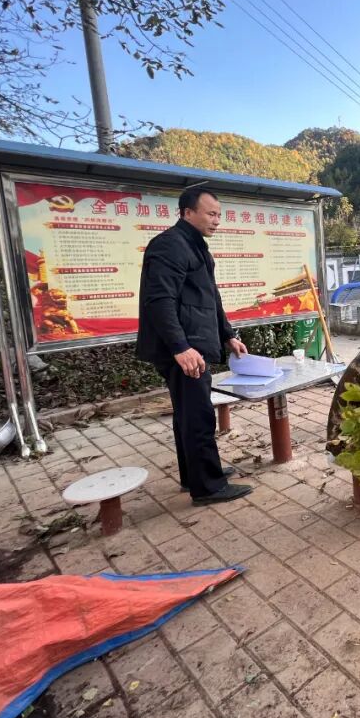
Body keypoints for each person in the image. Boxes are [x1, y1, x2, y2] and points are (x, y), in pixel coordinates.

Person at [137, 188, 253, 506]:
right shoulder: (169, 245)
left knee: (188, 414)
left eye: (219, 215)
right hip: (184, 351)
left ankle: (195, 475)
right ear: (187, 212)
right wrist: (180, 347)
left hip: (192, 345)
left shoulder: (196, 246)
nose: (217, 220)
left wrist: (228, 334)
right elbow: (159, 300)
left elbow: (210, 297)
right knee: (199, 415)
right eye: (211, 213)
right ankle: (208, 487)